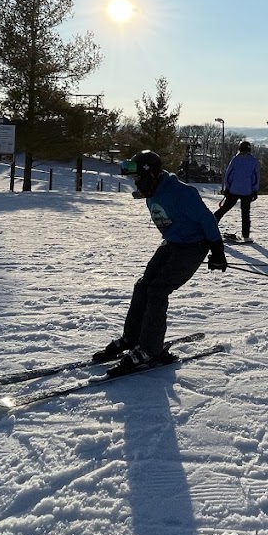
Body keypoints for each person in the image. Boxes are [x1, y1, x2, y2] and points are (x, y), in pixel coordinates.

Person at [92, 150, 227, 376]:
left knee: (157, 291)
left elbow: (208, 221)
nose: (136, 184)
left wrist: (217, 251)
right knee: (143, 286)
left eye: (138, 179)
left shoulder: (181, 193)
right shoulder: (152, 192)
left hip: (193, 247)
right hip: (172, 243)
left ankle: (150, 349)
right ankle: (132, 338)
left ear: (152, 174)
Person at [214, 140, 260, 242]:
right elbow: (256, 177)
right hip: (247, 191)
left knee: (223, 209)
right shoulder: (253, 161)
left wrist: (228, 188)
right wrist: (255, 190)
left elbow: (228, 175)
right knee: (245, 214)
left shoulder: (235, 159)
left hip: (233, 190)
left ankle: (210, 226)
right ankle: (246, 236)